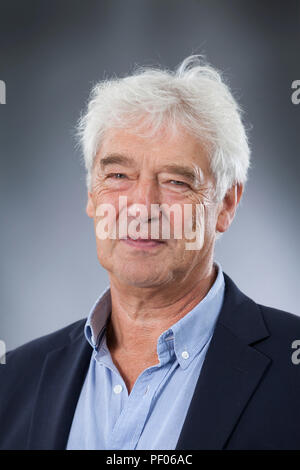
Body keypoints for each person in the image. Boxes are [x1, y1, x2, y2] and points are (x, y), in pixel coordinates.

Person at [0, 56, 299, 450]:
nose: (142, 207)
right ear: (91, 194)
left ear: (226, 204)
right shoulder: (14, 379)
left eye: (176, 181)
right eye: (118, 175)